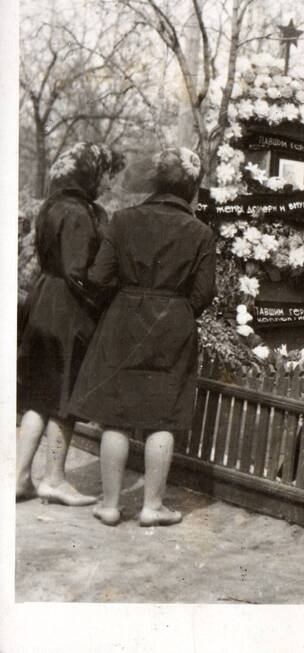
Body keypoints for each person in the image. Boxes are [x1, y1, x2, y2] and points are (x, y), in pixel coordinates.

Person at [68, 148, 216, 526]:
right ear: (192, 188)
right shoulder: (200, 232)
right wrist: (177, 310)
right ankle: (152, 507)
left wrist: (126, 300)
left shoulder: (122, 220)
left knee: (114, 416)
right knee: (162, 417)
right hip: (174, 322)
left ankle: (110, 505)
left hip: (123, 321)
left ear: (155, 181)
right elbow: (205, 291)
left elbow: (99, 277)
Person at [16, 142, 125, 505]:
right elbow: (80, 273)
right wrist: (107, 293)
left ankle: (19, 478)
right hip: (68, 310)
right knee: (64, 395)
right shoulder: (80, 212)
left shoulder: (52, 205)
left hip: (43, 300)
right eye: (108, 175)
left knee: (38, 395)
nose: (109, 184)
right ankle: (54, 479)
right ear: (92, 173)